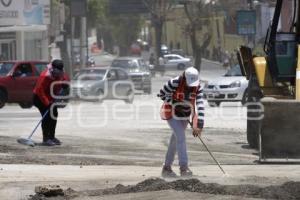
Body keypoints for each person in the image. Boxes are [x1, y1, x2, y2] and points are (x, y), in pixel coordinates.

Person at [158, 67, 204, 177]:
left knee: (175, 140)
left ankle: (166, 168)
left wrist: (199, 125)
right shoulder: (174, 82)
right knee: (181, 137)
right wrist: (173, 101)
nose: (191, 86)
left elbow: (200, 105)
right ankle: (184, 167)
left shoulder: (198, 87)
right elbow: (161, 94)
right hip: (171, 113)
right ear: (184, 78)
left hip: (185, 114)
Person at [33, 59, 70, 146]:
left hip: (50, 97)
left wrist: (65, 83)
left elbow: (64, 79)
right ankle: (46, 139)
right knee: (46, 117)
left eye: (60, 71)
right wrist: (47, 102)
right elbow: (39, 91)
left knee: (54, 114)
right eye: (57, 71)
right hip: (39, 98)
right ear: (53, 69)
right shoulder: (45, 76)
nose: (58, 74)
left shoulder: (60, 73)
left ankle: (52, 137)